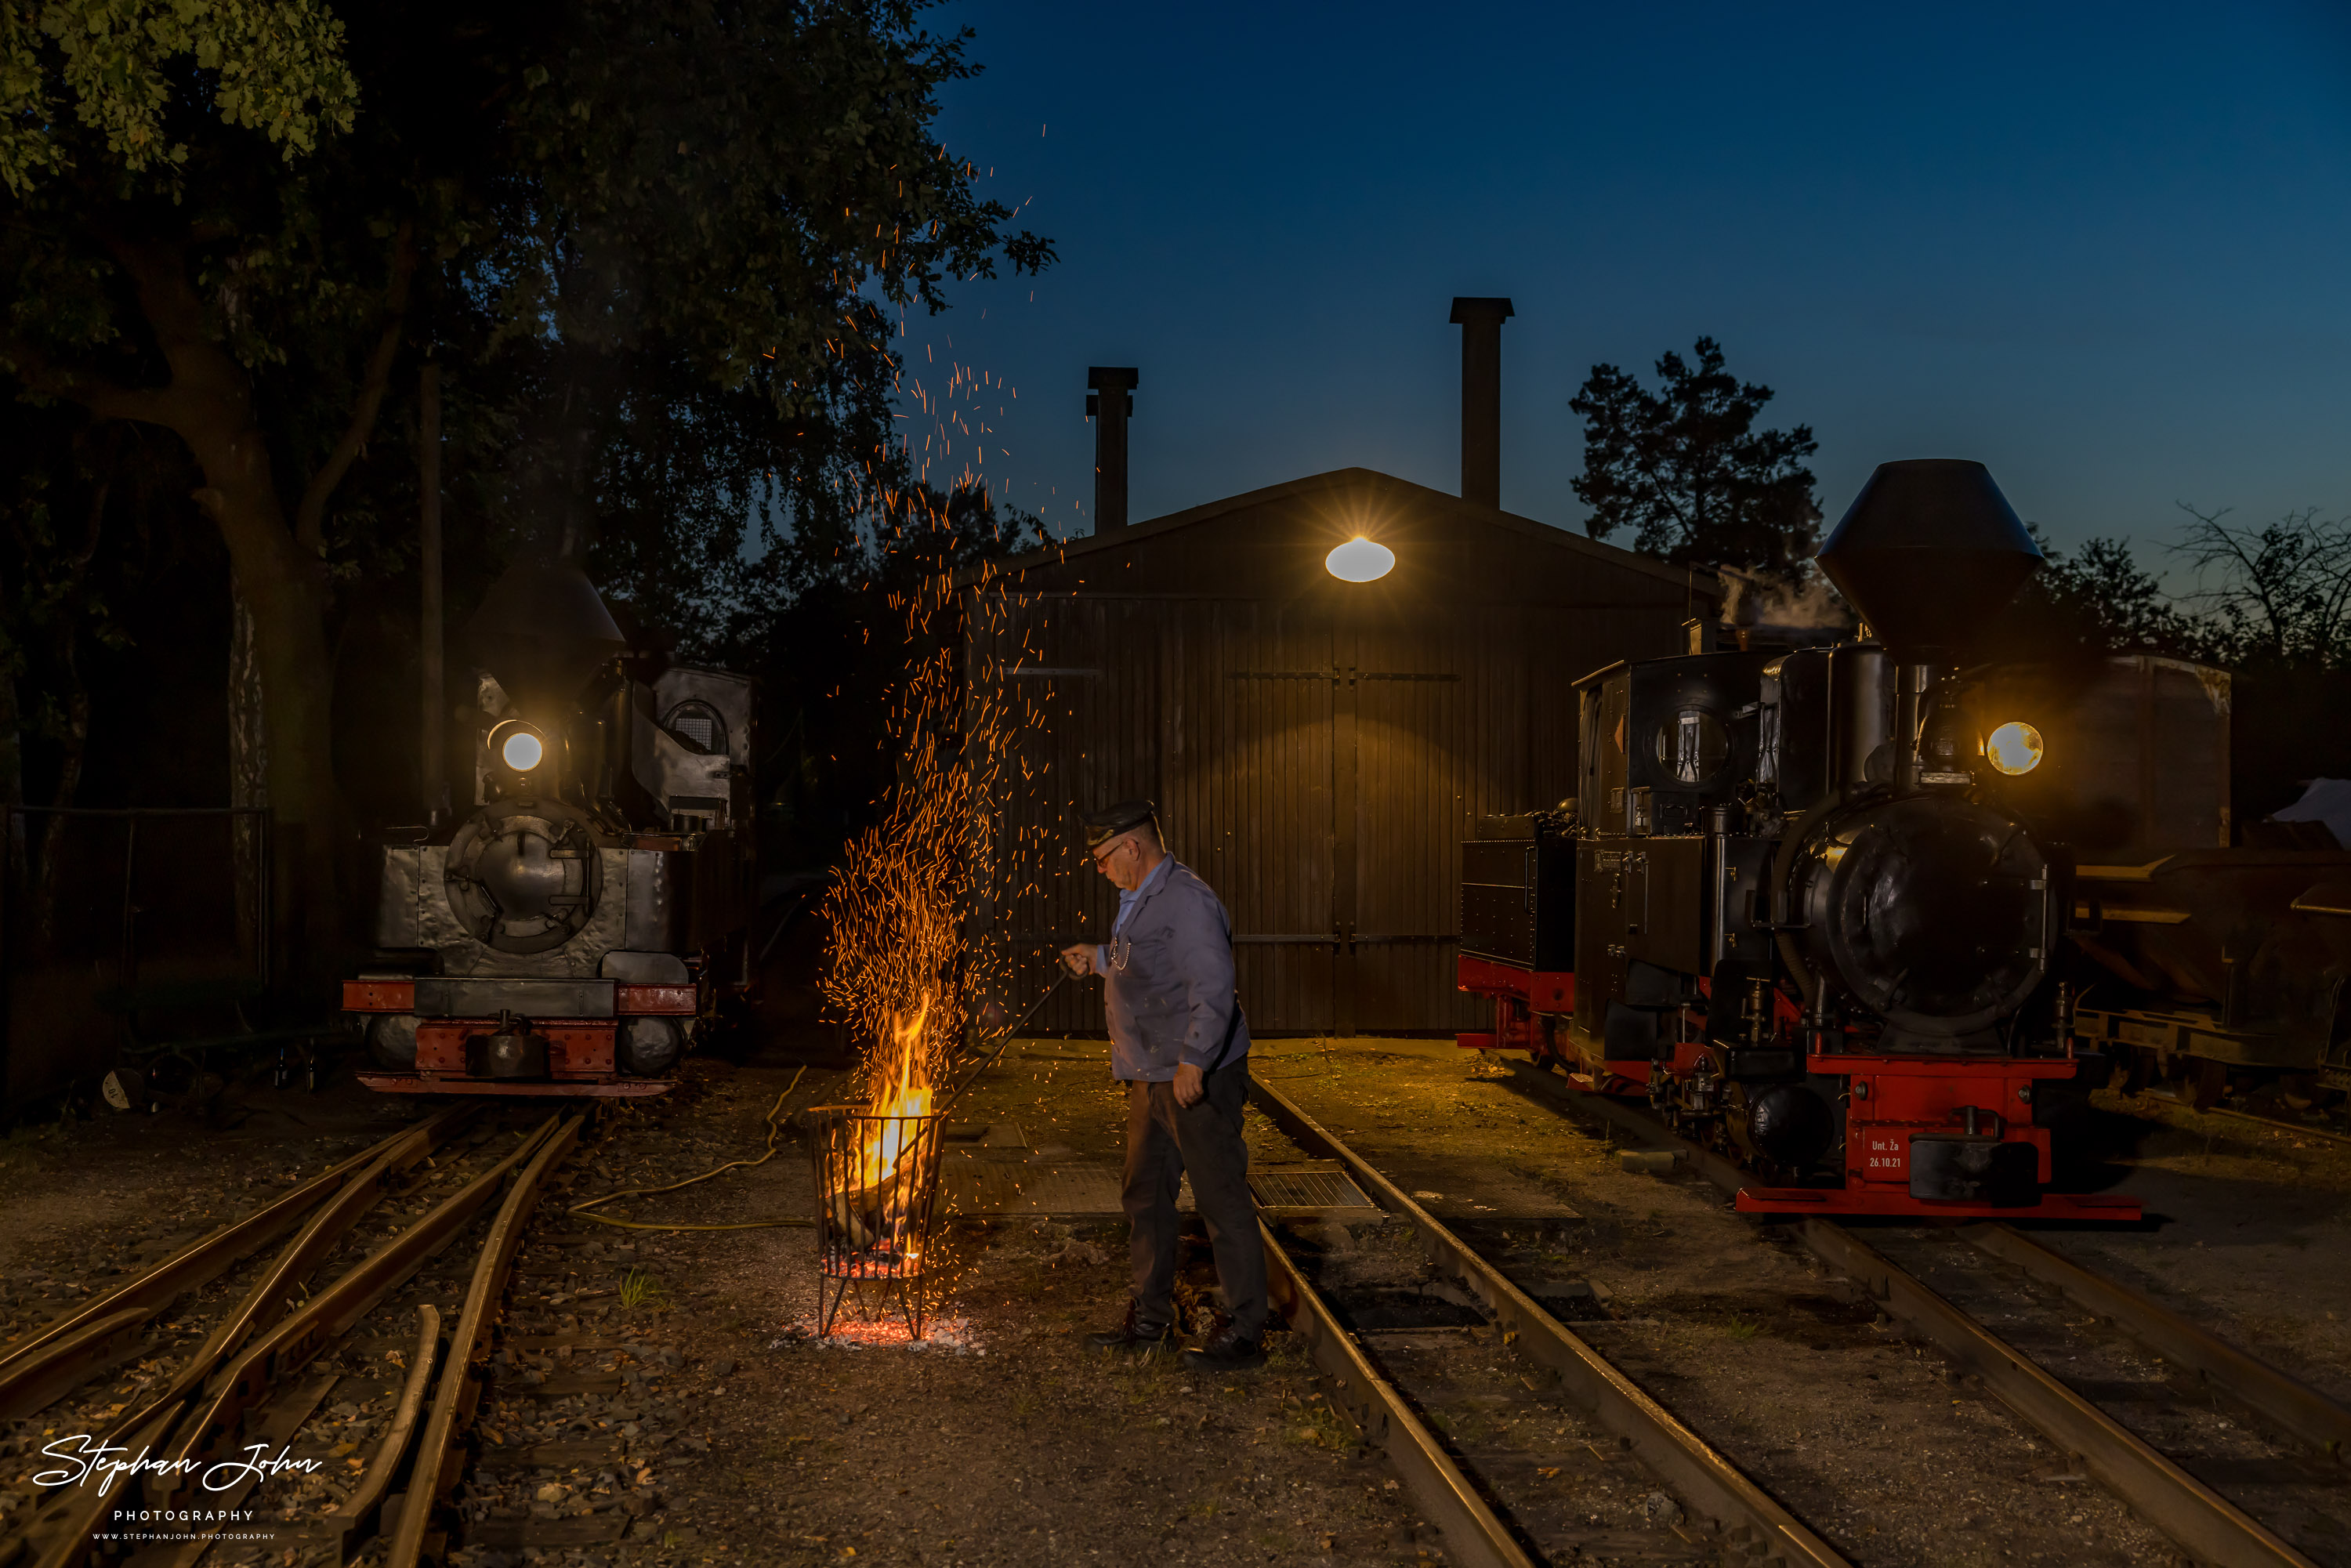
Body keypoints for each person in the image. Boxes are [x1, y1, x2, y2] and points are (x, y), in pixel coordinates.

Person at [1059, 798, 1265, 1371]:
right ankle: (1151, 1321)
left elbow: (1213, 984)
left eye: (1102, 858)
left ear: (1132, 846)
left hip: (1193, 1076)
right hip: (1149, 1075)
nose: (1099, 869)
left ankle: (1246, 1331)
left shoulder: (1188, 900)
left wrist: (1195, 1059)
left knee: (1221, 1198)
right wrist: (1099, 958)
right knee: (1145, 1197)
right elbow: (1145, 961)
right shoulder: (1139, 898)